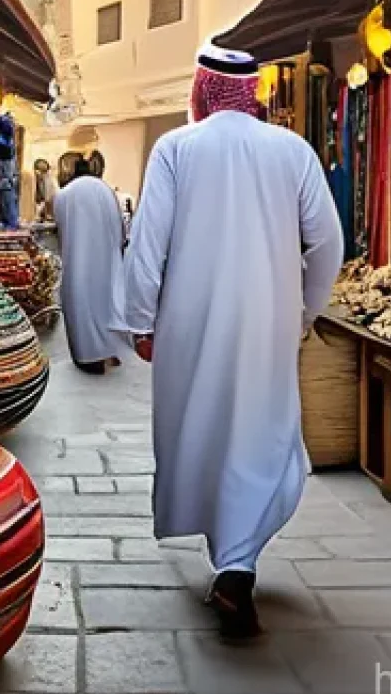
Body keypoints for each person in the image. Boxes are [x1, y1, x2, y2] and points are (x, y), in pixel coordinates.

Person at [124, 42, 343, 640]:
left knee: (205, 429)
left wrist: (141, 321)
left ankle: (233, 565)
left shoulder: (176, 148)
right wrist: (306, 310)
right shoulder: (291, 150)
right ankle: (236, 564)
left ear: (201, 91)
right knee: (261, 433)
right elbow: (327, 242)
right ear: (251, 94)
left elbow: (148, 243)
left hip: (189, 324)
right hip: (269, 322)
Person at [53, 155, 127, 374]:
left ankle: (88, 357)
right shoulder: (106, 190)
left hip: (78, 260)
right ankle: (110, 352)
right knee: (107, 301)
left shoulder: (65, 194)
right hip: (107, 259)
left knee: (81, 304)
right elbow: (121, 228)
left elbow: (59, 229)